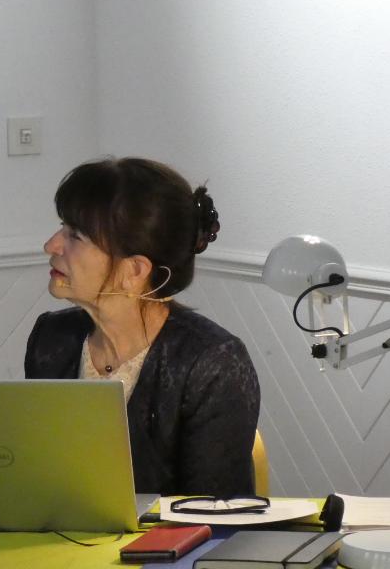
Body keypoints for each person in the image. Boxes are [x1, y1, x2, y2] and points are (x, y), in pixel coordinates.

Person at [25, 157, 260, 498]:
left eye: (75, 235)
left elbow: (216, 516)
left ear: (134, 270)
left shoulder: (213, 362)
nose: (51, 246)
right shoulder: (51, 339)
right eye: (63, 227)